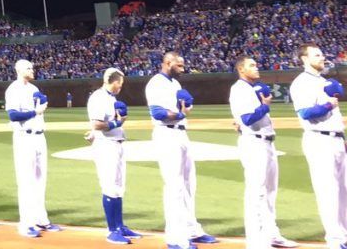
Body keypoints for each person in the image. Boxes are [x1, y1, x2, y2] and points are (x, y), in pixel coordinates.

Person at [145, 51, 216, 249]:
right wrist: (180, 112)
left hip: (181, 133)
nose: (183, 68)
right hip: (166, 135)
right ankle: (175, 238)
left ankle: (191, 229)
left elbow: (180, 110)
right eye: (180, 65)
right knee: (174, 186)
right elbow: (158, 113)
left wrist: (184, 107)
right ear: (168, 63)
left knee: (189, 184)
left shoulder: (175, 84)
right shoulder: (156, 83)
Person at [230, 56, 296, 249]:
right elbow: (248, 119)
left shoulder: (252, 89)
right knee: (256, 193)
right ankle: (256, 242)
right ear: (241, 69)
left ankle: (271, 234)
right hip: (253, 144)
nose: (257, 68)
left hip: (266, 143)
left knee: (269, 193)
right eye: (252, 65)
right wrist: (265, 106)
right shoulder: (239, 89)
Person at [290, 43, 347, 249]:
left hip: (336, 140)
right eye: (317, 55)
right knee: (328, 191)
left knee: (343, 190)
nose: (322, 57)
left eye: (322, 54)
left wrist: (341, 137)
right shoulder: (301, 83)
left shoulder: (324, 81)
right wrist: (327, 105)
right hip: (318, 140)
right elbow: (305, 113)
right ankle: (334, 240)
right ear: (304, 59)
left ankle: (344, 235)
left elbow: (334, 115)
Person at [6, 60, 60, 237]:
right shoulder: (13, 89)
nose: (32, 70)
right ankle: (26, 224)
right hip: (24, 137)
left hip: (39, 137)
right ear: (20, 70)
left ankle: (40, 219)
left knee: (40, 180)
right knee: (26, 181)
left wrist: (40, 110)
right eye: (29, 68)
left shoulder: (33, 89)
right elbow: (13, 115)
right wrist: (35, 112)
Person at [86, 68, 140, 244]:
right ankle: (112, 230)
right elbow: (96, 123)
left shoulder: (110, 98)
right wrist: (118, 122)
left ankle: (120, 225)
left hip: (115, 144)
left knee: (118, 186)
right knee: (110, 186)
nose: (121, 87)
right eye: (120, 83)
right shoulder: (98, 97)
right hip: (105, 146)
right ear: (114, 81)